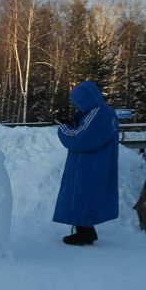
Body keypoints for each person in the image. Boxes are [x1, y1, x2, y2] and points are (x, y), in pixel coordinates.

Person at [53, 81, 118, 245]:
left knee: (82, 196)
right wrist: (75, 120)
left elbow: (79, 139)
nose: (77, 106)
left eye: (78, 102)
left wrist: (64, 127)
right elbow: (87, 131)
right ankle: (86, 231)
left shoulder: (99, 113)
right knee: (84, 197)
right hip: (93, 163)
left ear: (86, 98)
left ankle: (85, 234)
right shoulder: (102, 113)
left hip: (90, 165)